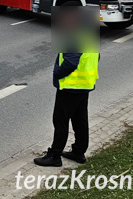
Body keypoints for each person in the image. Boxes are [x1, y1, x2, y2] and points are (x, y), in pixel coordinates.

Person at [34, 10, 99, 167]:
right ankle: (78, 152)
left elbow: (70, 62)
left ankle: (55, 155)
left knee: (60, 121)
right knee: (80, 120)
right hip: (85, 84)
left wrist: (57, 73)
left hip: (71, 85)